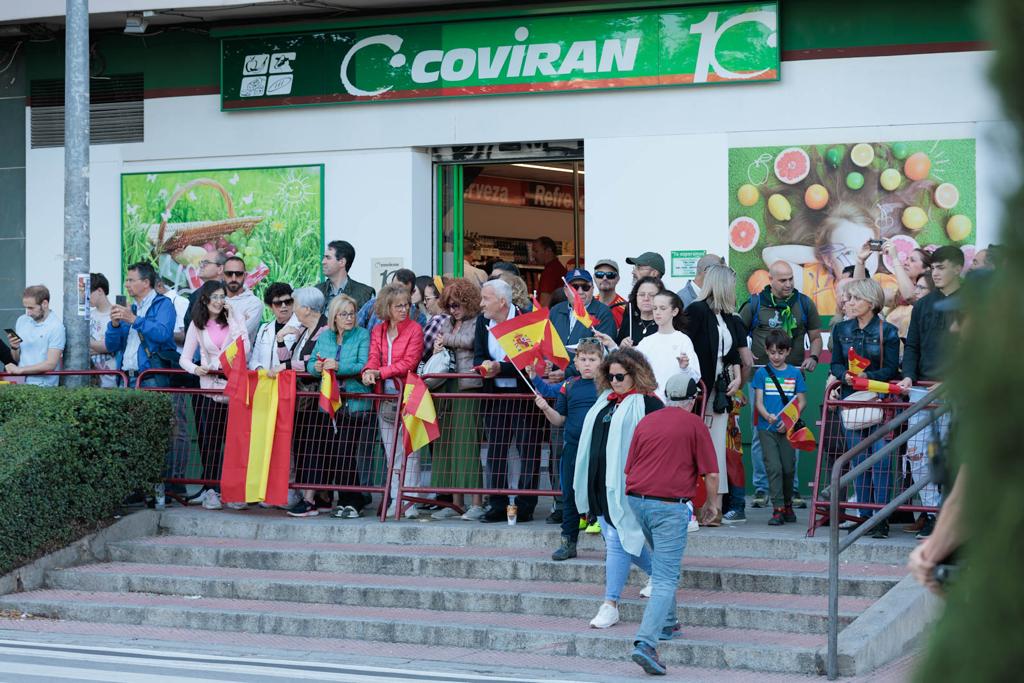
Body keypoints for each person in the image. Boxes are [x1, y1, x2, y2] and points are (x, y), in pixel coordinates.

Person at [625, 374, 718, 676]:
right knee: (665, 576)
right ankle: (646, 643)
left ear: (666, 396)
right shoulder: (694, 425)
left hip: (638, 500)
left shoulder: (647, 421)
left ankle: (667, 623)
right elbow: (711, 475)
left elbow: (630, 468)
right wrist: (711, 506)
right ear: (692, 400)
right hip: (669, 505)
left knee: (663, 564)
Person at [574, 348, 660, 629]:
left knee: (617, 541)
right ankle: (661, 573)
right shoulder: (604, 402)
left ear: (637, 374)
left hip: (629, 486)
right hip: (599, 485)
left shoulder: (650, 405)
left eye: (620, 376)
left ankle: (610, 603)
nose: (614, 382)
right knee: (625, 540)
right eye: (610, 376)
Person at [739, 260, 823, 508]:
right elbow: (738, 334)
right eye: (783, 280)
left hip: (792, 379)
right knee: (759, 435)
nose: (788, 284)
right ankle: (762, 489)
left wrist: (814, 357)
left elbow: (816, 337)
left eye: (791, 279)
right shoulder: (756, 303)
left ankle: (792, 489)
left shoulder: (804, 303)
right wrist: (745, 355)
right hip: (760, 380)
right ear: (771, 280)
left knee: (791, 432)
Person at [897, 245, 963, 538]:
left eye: (941, 267)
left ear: (959, 268)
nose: (935, 272)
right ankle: (933, 513)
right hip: (922, 390)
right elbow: (912, 345)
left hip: (960, 392)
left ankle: (954, 519)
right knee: (916, 455)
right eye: (932, 267)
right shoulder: (922, 305)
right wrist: (909, 376)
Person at [831, 277, 900, 538]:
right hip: (852, 401)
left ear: (870, 302)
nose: (848, 302)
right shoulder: (840, 330)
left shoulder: (888, 331)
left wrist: (867, 380)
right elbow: (836, 364)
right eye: (848, 298)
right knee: (858, 458)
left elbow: (892, 368)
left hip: (879, 401)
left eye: (855, 298)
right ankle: (864, 515)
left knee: (881, 458)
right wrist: (844, 376)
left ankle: (881, 517)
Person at [473, 279, 545, 523]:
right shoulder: (483, 322)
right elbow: (479, 354)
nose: (481, 304)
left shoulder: (525, 320)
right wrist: (484, 365)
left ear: (502, 302)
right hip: (495, 397)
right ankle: (496, 504)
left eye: (485, 299)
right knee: (495, 453)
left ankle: (525, 505)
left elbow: (528, 362)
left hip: (523, 397)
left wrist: (499, 368)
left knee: (528, 451)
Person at [179, 280, 252, 511]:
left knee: (235, 444)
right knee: (210, 442)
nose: (220, 301)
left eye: (223, 297)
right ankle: (212, 490)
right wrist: (196, 369)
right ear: (205, 299)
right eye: (216, 297)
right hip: (210, 390)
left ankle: (235, 491)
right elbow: (185, 358)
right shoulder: (197, 325)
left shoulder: (233, 320)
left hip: (234, 389)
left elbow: (245, 349)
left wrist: (235, 318)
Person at [685, 264, 748, 524]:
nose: (735, 289)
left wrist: (737, 378)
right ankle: (699, 507)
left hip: (722, 393)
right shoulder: (697, 311)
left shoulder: (729, 317)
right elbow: (689, 350)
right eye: (732, 285)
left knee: (717, 451)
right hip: (702, 393)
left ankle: (715, 508)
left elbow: (732, 353)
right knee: (699, 449)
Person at [532, 338, 603, 561]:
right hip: (572, 449)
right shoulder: (568, 385)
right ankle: (568, 542)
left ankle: (613, 546)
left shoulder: (608, 385)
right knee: (569, 496)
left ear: (602, 361)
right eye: (583, 359)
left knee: (601, 495)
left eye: (592, 359)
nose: (587, 364)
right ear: (576, 361)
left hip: (599, 449)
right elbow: (559, 420)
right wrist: (545, 409)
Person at [362, 283, 425, 518]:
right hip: (384, 397)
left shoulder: (415, 329)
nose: (404, 310)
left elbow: (410, 362)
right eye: (399, 306)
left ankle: (409, 501)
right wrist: (369, 370)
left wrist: (381, 372)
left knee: (409, 450)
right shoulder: (378, 330)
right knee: (391, 453)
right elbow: (372, 357)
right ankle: (395, 498)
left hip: (407, 395)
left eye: (407, 305)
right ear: (386, 307)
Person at [308, 293, 372, 518]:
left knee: (346, 452)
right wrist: (316, 367)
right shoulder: (325, 337)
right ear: (334, 317)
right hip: (330, 403)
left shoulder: (362, 335)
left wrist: (336, 366)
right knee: (335, 453)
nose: (349, 318)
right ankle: (346, 500)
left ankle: (353, 500)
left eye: (352, 313)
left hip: (355, 403)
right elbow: (310, 364)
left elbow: (363, 364)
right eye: (343, 314)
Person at [431, 279, 485, 521]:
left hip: (467, 386)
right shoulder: (447, 322)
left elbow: (471, 342)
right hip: (447, 385)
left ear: (468, 302)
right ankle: (455, 503)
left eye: (457, 305)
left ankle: (476, 502)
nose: (453, 309)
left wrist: (446, 340)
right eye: (449, 305)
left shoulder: (478, 321)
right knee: (448, 444)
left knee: (467, 444)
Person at [753, 330, 807, 526]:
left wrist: (790, 420)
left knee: (788, 468)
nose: (776, 357)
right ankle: (777, 509)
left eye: (781, 352)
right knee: (773, 467)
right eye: (772, 352)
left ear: (788, 352)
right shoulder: (761, 373)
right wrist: (767, 415)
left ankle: (787, 504)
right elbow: (758, 401)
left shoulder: (795, 373)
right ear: (767, 351)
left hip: (789, 429)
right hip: (767, 427)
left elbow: (802, 401)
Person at [285, 287, 330, 516]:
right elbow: (290, 358)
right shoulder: (302, 330)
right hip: (301, 399)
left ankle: (310, 498)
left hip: (316, 398)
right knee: (303, 446)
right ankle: (315, 496)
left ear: (305, 308)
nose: (292, 309)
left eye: (294, 304)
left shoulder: (324, 330)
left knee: (313, 447)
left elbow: (311, 362)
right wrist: (281, 340)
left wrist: (286, 366)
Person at [105, 263, 177, 388]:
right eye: (126, 280)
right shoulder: (130, 309)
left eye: (131, 280)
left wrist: (134, 319)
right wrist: (114, 325)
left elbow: (163, 334)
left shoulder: (163, 304)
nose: (126, 284)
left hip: (151, 378)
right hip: (125, 379)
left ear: (146, 283)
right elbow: (112, 346)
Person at [635, 291, 700, 403]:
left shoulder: (683, 340)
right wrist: (612, 346)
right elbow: (629, 365)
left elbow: (695, 377)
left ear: (674, 311)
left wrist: (685, 368)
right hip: (648, 402)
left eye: (663, 308)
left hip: (675, 403)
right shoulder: (646, 342)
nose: (657, 312)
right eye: (655, 308)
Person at [548, 269, 617, 368]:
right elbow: (545, 342)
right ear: (566, 291)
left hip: (585, 378)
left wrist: (566, 373)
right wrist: (547, 364)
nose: (580, 292)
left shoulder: (603, 313)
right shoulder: (555, 310)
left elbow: (601, 353)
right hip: (553, 375)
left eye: (585, 287)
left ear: (592, 289)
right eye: (574, 287)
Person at [6, 285, 66, 387]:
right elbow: (16, 359)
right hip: (21, 384)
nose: (28, 313)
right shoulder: (22, 320)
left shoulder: (56, 327)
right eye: (26, 308)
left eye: (31, 308)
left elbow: (51, 364)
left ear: (45, 304)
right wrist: (14, 347)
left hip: (43, 387)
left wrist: (20, 370)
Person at [250, 282, 300, 372]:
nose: (284, 306)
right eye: (278, 303)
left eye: (288, 302)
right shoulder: (264, 328)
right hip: (265, 381)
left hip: (288, 381)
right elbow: (254, 360)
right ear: (270, 306)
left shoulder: (300, 327)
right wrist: (259, 369)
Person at [316, 239, 375, 314]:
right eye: (324, 257)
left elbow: (371, 324)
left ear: (342, 262)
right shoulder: (317, 291)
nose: (323, 262)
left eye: (328, 257)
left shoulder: (366, 293)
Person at [358, 268, 425, 330]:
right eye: (394, 288)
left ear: (412, 292)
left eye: (403, 292)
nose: (397, 294)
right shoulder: (372, 305)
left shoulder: (418, 317)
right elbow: (355, 332)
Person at [222, 255, 263, 342]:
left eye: (238, 274)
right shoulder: (213, 298)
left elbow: (240, 336)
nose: (233, 278)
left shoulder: (254, 303)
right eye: (229, 274)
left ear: (245, 275)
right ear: (223, 275)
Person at [88, 274, 118, 387]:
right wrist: (101, 347)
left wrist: (104, 347)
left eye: (88, 293)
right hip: (90, 377)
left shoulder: (116, 314)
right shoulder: (88, 317)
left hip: (113, 377)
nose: (86, 297)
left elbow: (112, 345)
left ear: (100, 290)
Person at [183, 250, 226, 330]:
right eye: (201, 263)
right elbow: (188, 327)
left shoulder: (229, 294)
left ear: (220, 269)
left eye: (206, 263)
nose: (201, 266)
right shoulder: (194, 296)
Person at [616, 276, 664, 347]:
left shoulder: (666, 323)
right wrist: (621, 346)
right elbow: (617, 348)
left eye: (652, 295)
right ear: (635, 297)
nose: (646, 298)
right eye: (642, 295)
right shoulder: (629, 319)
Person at [593, 258, 628, 328]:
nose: (604, 278)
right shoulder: (588, 306)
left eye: (610, 275)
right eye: (599, 274)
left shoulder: (626, 309)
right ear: (594, 278)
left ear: (618, 279)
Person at [534, 236, 566, 308]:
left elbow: (544, 303)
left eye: (536, 251)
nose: (534, 255)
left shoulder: (550, 271)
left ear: (548, 250)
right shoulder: (558, 267)